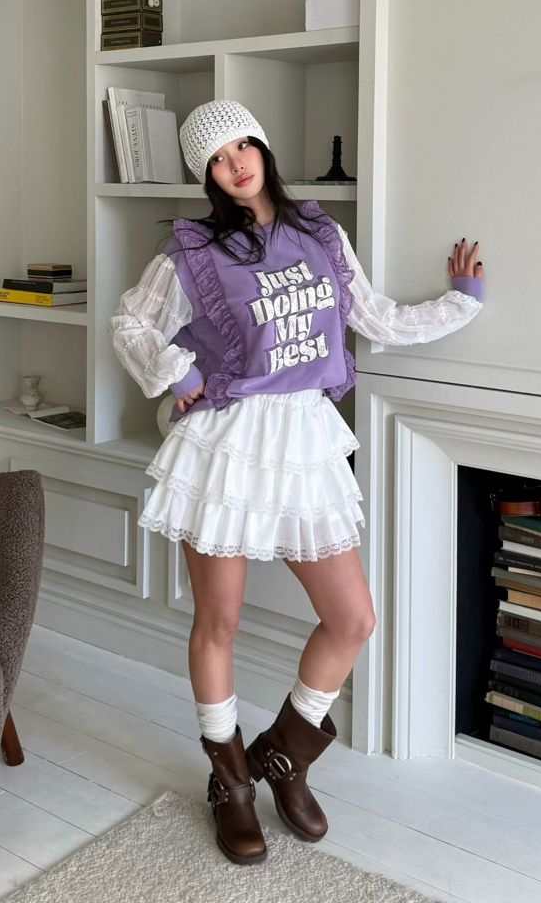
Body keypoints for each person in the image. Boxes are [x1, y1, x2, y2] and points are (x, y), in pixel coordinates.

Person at [108, 99, 484, 866]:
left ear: (263, 146)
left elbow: (373, 318)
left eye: (242, 146)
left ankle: (283, 756)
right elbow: (130, 324)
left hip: (305, 439)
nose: (235, 164)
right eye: (217, 159)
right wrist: (177, 371)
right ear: (206, 175)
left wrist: (460, 303)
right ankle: (229, 784)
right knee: (218, 622)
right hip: (226, 445)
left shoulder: (319, 234)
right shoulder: (192, 252)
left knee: (351, 619)